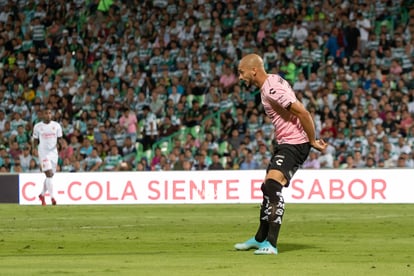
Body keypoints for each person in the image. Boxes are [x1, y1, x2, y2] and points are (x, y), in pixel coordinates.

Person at [234, 54, 327, 255]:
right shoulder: (272, 80)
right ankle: (260, 239)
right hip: (286, 142)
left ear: (254, 70)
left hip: (295, 143)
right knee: (266, 187)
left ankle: (272, 244)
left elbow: (303, 113)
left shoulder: (272, 89)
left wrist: (312, 140)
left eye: (242, 72)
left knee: (272, 186)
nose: (240, 77)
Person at [32, 108, 63, 206]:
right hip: (43, 153)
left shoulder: (57, 126)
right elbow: (35, 140)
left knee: (50, 176)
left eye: (50, 113)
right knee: (49, 174)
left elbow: (59, 139)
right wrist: (34, 149)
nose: (48, 115)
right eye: (46, 113)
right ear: (42, 115)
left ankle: (41, 195)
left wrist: (61, 146)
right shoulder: (37, 127)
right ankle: (52, 198)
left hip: (54, 153)